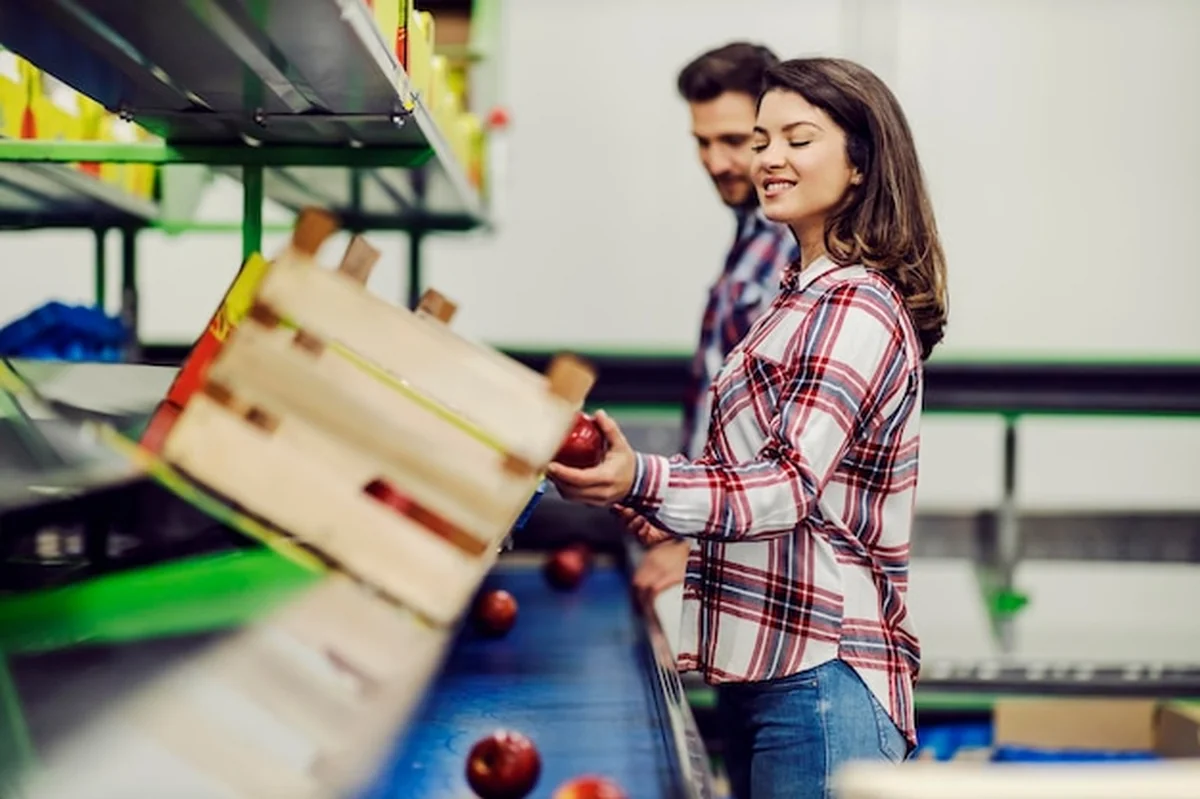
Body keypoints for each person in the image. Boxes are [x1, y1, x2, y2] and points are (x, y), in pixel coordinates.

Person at [548, 56, 949, 798]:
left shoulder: (856, 305)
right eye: (762, 139)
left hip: (822, 676)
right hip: (774, 668)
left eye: (798, 139)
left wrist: (639, 477)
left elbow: (788, 485)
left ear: (860, 162)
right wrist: (627, 489)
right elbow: (748, 472)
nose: (768, 159)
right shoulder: (799, 297)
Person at [631, 42, 800, 621]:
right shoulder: (752, 235)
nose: (714, 162)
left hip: (750, 561)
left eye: (732, 141)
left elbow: (774, 442)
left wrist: (696, 545)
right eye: (702, 142)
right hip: (719, 537)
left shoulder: (794, 247)